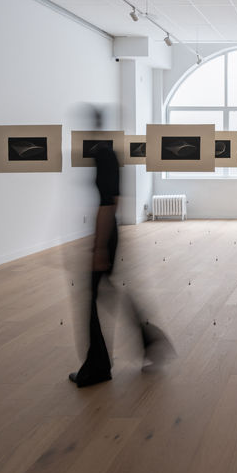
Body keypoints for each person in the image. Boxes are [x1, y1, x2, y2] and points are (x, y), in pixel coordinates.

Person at [69, 109, 173, 387]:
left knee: (94, 296)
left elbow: (108, 202)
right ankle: (150, 341)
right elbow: (115, 200)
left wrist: (99, 246)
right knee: (107, 291)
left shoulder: (103, 155)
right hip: (109, 231)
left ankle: (98, 366)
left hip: (106, 233)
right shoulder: (111, 154)